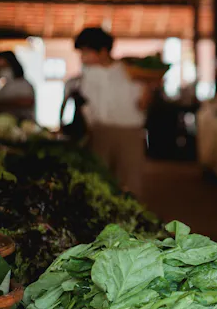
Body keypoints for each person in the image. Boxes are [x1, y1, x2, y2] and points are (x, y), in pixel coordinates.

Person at [64, 27, 154, 197]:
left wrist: (149, 89)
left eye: (85, 52)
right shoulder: (87, 74)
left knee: (130, 182)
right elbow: (86, 105)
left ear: (103, 51)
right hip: (99, 132)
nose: (82, 57)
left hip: (129, 134)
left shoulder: (130, 71)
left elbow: (142, 104)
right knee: (101, 183)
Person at [0, 51, 35, 121]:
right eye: (0, 67)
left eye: (5, 66)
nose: (3, 70)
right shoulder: (4, 86)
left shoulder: (23, 84)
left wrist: (2, 103)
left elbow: (28, 101)